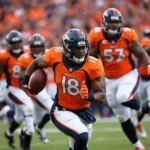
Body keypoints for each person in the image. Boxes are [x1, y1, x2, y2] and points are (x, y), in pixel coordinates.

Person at [21, 28, 106, 150]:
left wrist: (89, 96)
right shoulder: (55, 55)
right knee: (81, 136)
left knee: (76, 146)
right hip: (61, 110)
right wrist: (25, 81)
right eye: (77, 48)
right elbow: (36, 62)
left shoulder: (92, 65)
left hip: (84, 112)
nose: (81, 51)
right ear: (67, 48)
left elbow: (102, 96)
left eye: (83, 48)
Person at [88, 8, 150, 150]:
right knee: (122, 117)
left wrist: (148, 65)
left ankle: (141, 109)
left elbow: (141, 53)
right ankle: (138, 146)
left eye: (116, 22)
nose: (114, 25)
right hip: (110, 79)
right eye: (110, 22)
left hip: (128, 74)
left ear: (120, 23)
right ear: (104, 22)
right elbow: (91, 57)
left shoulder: (128, 35)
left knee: (123, 96)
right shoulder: (96, 36)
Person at [0, 30, 35, 150]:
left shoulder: (27, 51)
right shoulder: (3, 56)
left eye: (18, 42)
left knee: (19, 118)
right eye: (13, 43)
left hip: (24, 89)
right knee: (28, 108)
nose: (16, 45)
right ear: (9, 44)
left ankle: (8, 132)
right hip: (13, 90)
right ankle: (28, 135)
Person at [18, 33, 54, 143]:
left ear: (43, 47)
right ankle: (32, 131)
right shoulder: (25, 58)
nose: (37, 49)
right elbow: (20, 77)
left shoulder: (49, 54)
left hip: (42, 89)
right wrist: (30, 90)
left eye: (39, 47)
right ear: (30, 48)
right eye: (34, 47)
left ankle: (28, 131)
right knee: (53, 109)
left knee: (36, 120)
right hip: (30, 90)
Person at [134, 26, 150, 139]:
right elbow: (144, 51)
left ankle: (137, 123)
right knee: (144, 107)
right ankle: (138, 124)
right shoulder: (145, 41)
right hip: (141, 78)